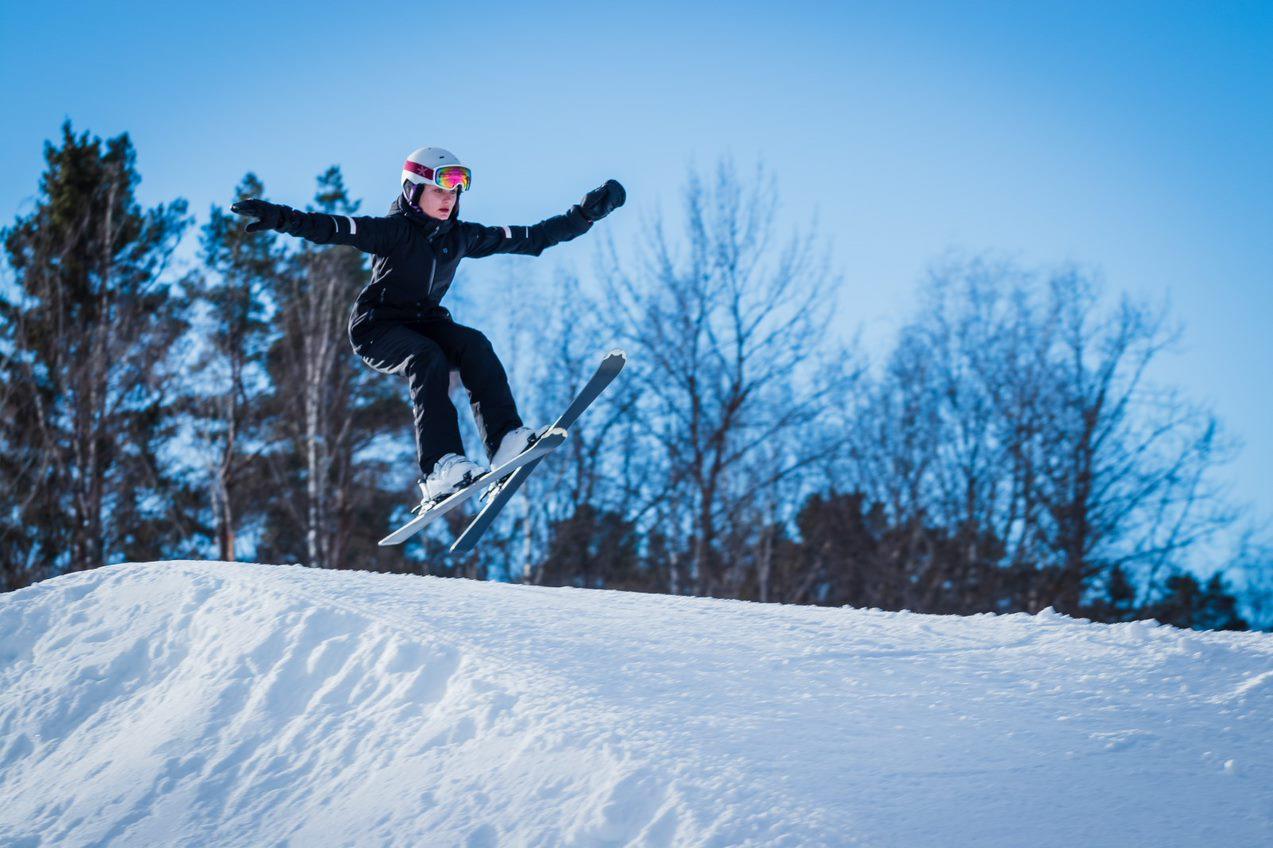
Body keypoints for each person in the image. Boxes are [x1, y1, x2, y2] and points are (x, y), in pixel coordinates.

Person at [231, 147, 625, 510]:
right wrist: (279, 217)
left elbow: (532, 238)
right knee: (426, 358)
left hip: (426, 322)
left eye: (455, 192)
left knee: (474, 345)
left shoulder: (461, 236)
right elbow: (330, 226)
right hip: (378, 328)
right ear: (411, 191)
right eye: (439, 191)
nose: (449, 199)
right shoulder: (393, 231)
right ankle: (440, 468)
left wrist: (584, 215)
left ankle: (505, 440)